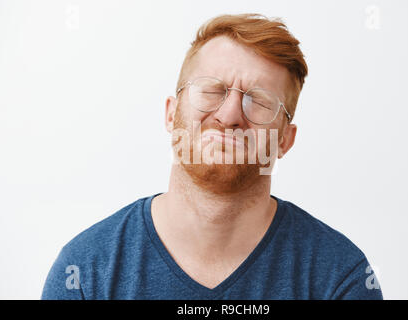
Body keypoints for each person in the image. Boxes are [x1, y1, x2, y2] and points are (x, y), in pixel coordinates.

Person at [42, 13, 382, 299]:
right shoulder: (85, 272)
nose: (230, 114)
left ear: (285, 140)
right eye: (212, 90)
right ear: (170, 114)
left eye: (259, 101)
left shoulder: (340, 279)